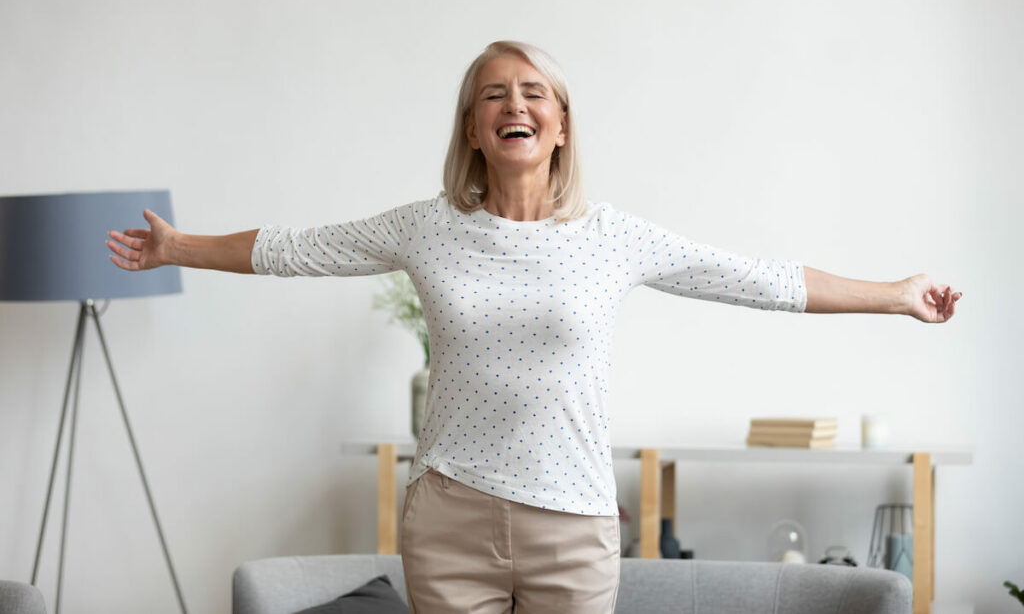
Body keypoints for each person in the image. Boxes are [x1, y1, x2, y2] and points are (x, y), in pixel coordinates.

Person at [107, 40, 961, 613]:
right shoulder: (426, 226)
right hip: (449, 518)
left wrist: (895, 292)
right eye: (493, 96)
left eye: (533, 93)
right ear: (475, 131)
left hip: (575, 526)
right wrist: (179, 245)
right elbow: (299, 249)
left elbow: (759, 280)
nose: (514, 105)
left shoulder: (612, 236)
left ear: (559, 125)